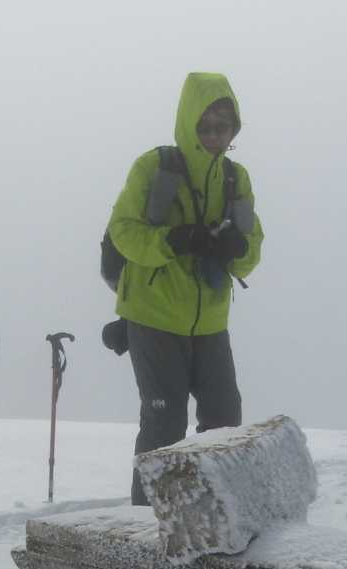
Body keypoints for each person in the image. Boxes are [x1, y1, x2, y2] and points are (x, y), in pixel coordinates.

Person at [104, 72, 264, 505]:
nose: (213, 136)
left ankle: (215, 515)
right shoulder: (154, 168)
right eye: (205, 126)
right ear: (188, 123)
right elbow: (122, 230)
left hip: (210, 321)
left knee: (224, 421)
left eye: (222, 127)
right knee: (164, 424)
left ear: (233, 130)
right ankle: (146, 524)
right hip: (153, 316)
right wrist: (172, 241)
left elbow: (251, 251)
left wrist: (237, 248)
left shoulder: (235, 179)